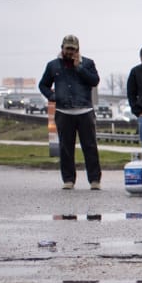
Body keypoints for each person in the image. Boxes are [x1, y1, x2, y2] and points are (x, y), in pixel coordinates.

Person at [38, 34, 102, 190]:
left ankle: (94, 180)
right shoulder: (53, 65)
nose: (70, 52)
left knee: (90, 147)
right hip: (63, 111)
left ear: (78, 50)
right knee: (66, 148)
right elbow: (43, 85)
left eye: (73, 49)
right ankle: (68, 180)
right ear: (62, 48)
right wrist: (53, 96)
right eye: (67, 49)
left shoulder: (87, 63)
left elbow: (94, 81)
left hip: (85, 110)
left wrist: (79, 68)